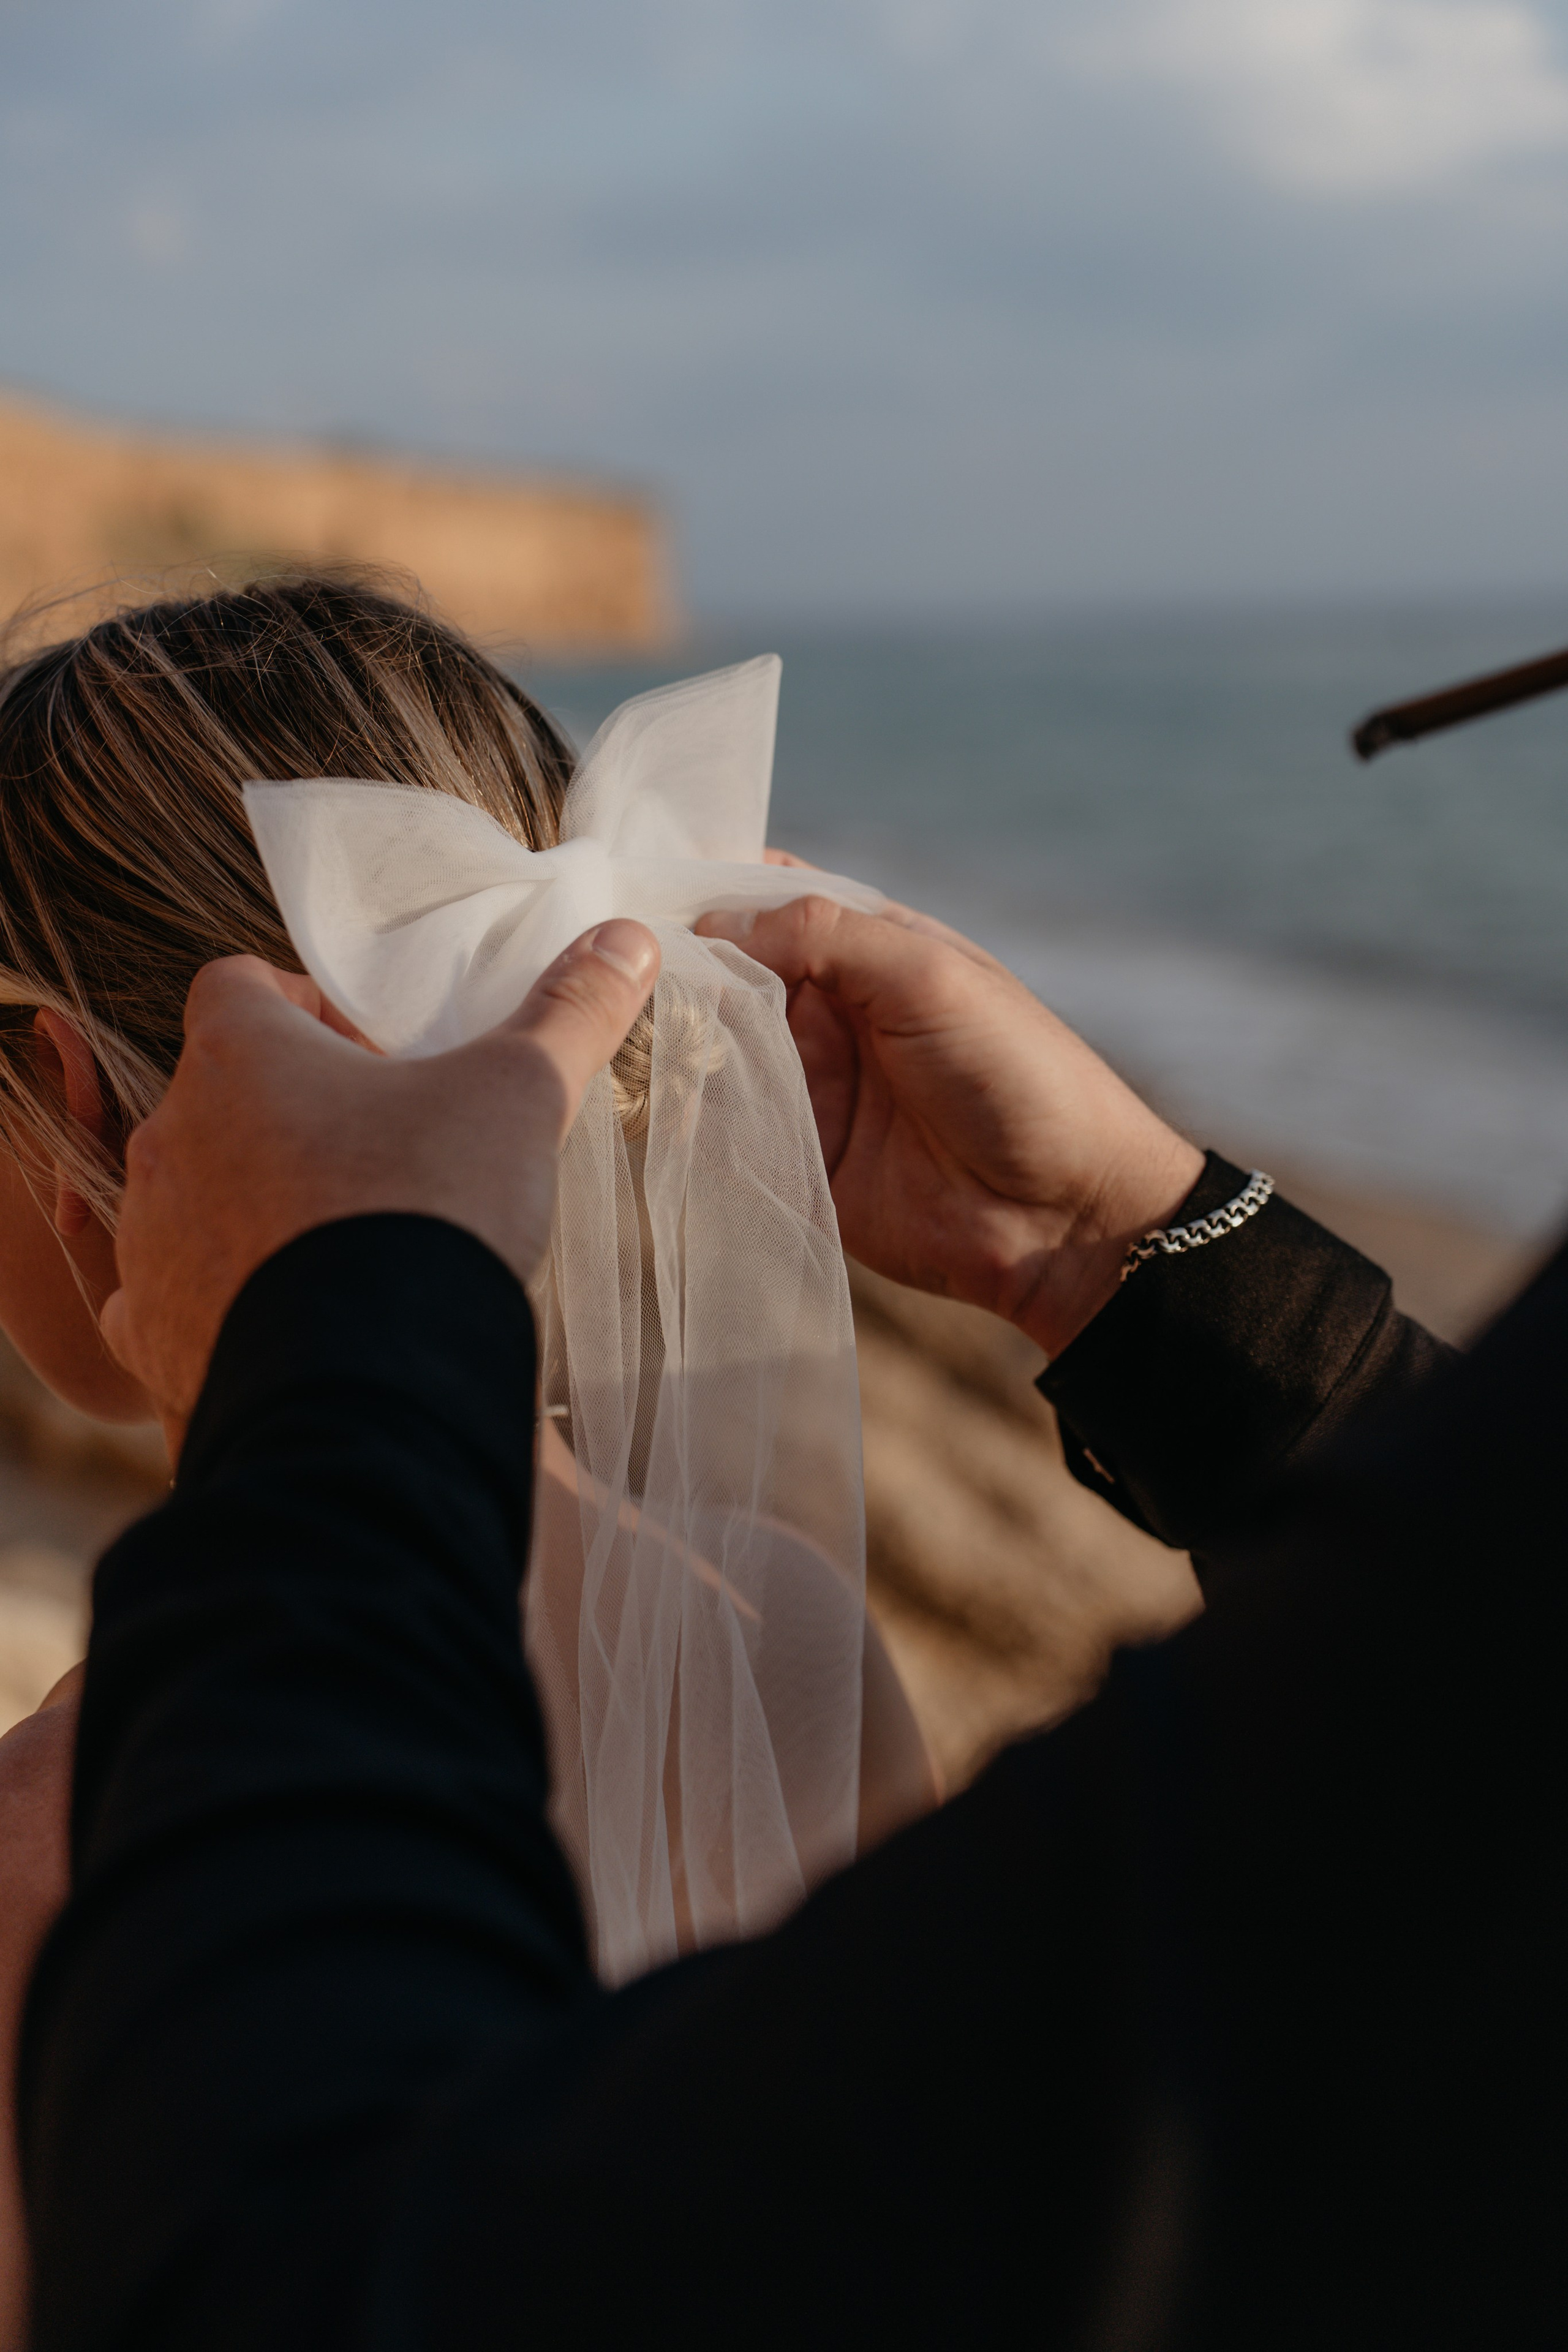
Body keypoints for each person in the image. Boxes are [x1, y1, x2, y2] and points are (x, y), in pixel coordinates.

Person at [13, 797, 1556, 2350]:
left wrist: (325, 1371)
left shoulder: (56, 1824)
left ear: (73, 1100)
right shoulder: (776, 1626)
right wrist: (1108, 1239)